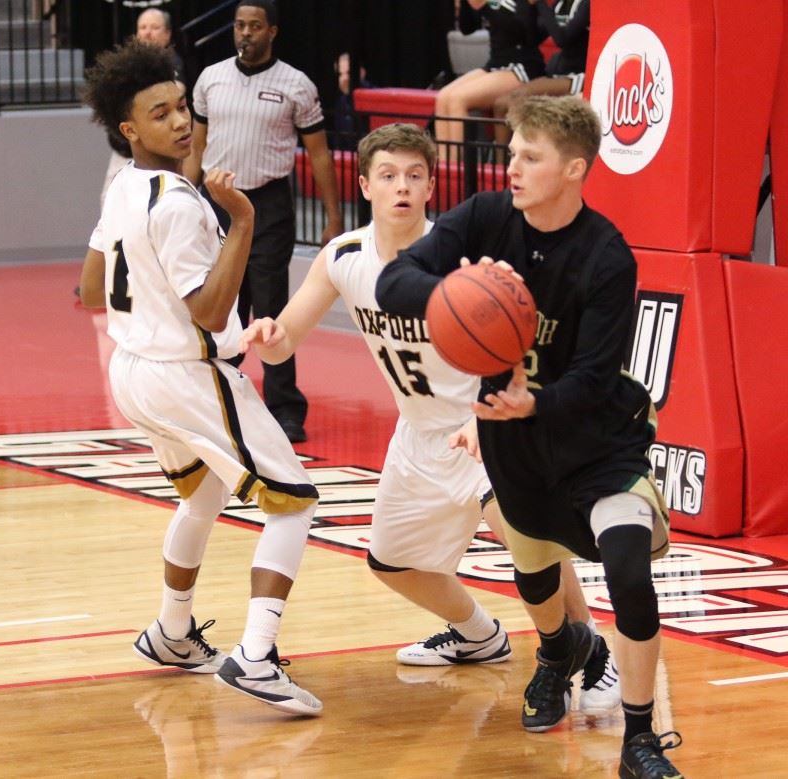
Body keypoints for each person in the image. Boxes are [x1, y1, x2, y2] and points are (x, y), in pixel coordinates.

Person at [240, 123, 619, 716]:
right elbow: (286, 340)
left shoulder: (460, 257)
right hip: (417, 434)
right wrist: (268, 335)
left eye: (415, 176)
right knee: (393, 562)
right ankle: (478, 635)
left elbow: (526, 335)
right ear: (363, 184)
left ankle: (593, 652)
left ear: (430, 185)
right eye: (388, 176)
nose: (402, 188)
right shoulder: (344, 258)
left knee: (533, 548)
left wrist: (493, 409)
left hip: (487, 424)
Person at [375, 96, 684, 779]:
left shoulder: (607, 257)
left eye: (530, 156)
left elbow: (596, 379)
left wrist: (532, 401)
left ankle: (640, 738)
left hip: (599, 446)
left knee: (629, 572)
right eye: (511, 151)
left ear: (574, 169)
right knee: (536, 579)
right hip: (516, 450)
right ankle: (556, 651)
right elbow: (395, 278)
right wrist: (457, 294)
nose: (510, 165)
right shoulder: (486, 218)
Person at [79, 40, 323, 717]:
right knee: (295, 499)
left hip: (134, 370)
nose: (181, 122)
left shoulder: (124, 186)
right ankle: (257, 655)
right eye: (161, 114)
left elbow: (90, 287)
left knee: (205, 496)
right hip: (185, 374)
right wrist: (241, 221)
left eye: (183, 106)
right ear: (131, 129)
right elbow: (210, 309)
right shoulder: (181, 205)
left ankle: (172, 631)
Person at [183, 0, 345, 444]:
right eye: (239, 26)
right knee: (221, 305)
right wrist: (183, 199)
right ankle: (218, 398)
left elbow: (318, 153)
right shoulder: (209, 79)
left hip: (269, 203)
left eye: (255, 26)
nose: (245, 34)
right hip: (217, 201)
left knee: (271, 306)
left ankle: (285, 409)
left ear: (272, 31)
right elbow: (195, 148)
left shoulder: (296, 84)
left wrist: (334, 216)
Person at [433, 0, 544, 161]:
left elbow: (529, 35)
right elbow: (467, 28)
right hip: (495, 63)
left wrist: (493, 8)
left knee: (457, 99)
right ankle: (446, 170)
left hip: (522, 65)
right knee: (443, 97)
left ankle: (458, 173)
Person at [98, 8, 186, 210]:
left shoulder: (172, 65)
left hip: (154, 155)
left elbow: (171, 98)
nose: (147, 32)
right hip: (123, 151)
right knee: (109, 203)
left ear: (168, 34)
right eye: (143, 27)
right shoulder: (125, 68)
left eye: (154, 27)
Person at [492, 0, 590, 145]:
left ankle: (523, 156)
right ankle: (500, 163)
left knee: (517, 99)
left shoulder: (587, 4)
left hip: (582, 74)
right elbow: (533, 39)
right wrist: (531, 8)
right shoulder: (560, 4)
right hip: (560, 73)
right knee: (500, 105)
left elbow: (562, 38)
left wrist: (541, 4)